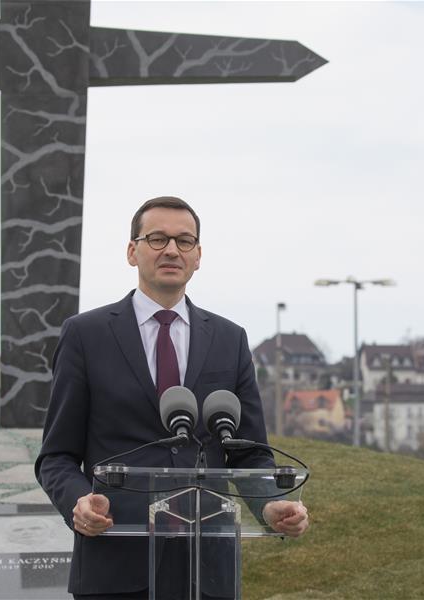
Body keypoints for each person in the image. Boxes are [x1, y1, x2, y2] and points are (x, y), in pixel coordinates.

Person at [36, 197, 309, 599]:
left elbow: (249, 453)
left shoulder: (230, 340)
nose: (171, 250)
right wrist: (79, 501)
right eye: (157, 238)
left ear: (198, 256)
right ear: (133, 251)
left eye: (184, 241)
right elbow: (56, 456)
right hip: (115, 565)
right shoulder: (85, 336)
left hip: (208, 571)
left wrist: (270, 507)